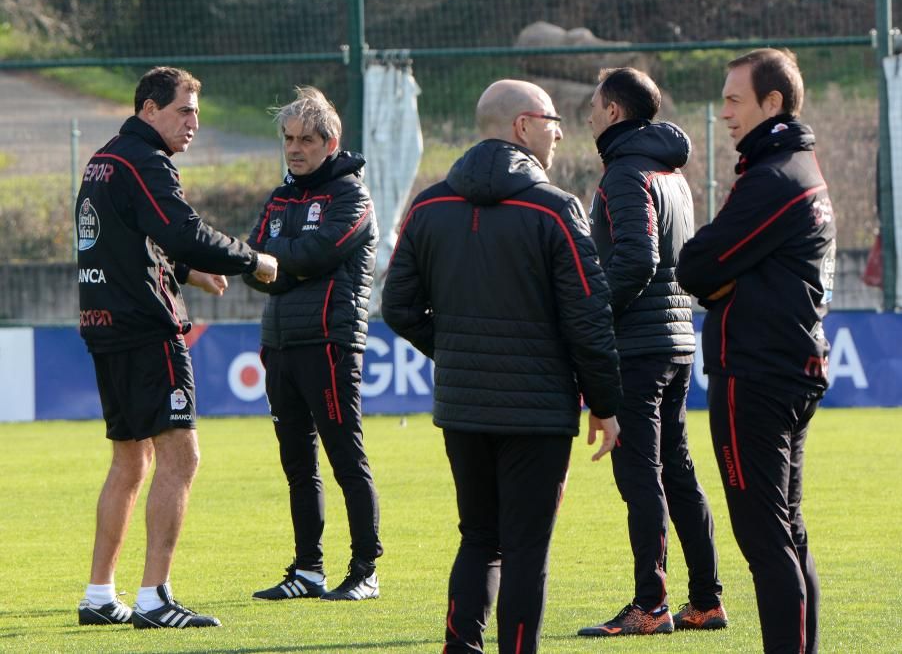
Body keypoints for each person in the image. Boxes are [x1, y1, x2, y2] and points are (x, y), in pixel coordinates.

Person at [382, 79, 622, 654]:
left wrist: (461, 352)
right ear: (522, 126)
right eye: (551, 119)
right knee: (525, 550)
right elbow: (588, 320)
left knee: (478, 539)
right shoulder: (556, 209)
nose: (560, 129)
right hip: (538, 412)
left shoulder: (430, 204)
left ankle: (460, 647)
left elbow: (397, 307)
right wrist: (607, 404)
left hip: (464, 406)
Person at [75, 66, 279, 629]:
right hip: (146, 328)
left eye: (196, 111)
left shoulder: (104, 159)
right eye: (184, 110)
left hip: (104, 322)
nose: (194, 122)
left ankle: (99, 594)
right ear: (148, 110)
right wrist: (251, 260)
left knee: (131, 458)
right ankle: (155, 598)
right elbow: (181, 229)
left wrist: (187, 271)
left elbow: (131, 236)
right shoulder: (145, 161)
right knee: (181, 456)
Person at [676, 48, 836, 654]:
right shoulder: (799, 167)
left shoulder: (774, 179)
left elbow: (696, 263)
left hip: (757, 375)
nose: (724, 113)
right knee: (787, 535)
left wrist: (726, 281)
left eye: (734, 100)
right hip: (787, 368)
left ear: (773, 103)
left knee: (766, 542)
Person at [577, 67, 727, 639]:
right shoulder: (670, 172)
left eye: (594, 105)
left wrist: (594, 316)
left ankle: (651, 605)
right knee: (678, 472)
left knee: (641, 476)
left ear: (614, 112)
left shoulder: (624, 173)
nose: (588, 114)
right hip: (677, 341)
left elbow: (636, 259)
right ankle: (706, 601)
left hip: (639, 346)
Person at [243, 86, 383, 603]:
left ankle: (365, 569)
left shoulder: (352, 197)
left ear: (331, 142)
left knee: (346, 457)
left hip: (329, 343)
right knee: (297, 464)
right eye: (288, 139)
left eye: (305, 139)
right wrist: (282, 263)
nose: (294, 148)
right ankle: (308, 570)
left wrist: (277, 264)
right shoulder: (280, 198)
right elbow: (252, 262)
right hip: (279, 344)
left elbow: (313, 255)